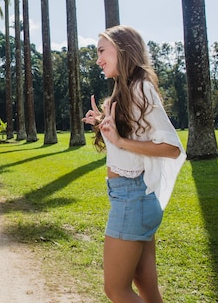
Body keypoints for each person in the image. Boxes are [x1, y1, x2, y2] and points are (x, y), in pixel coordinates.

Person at [82, 25, 186, 303]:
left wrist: (119, 139)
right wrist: (104, 123)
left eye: (102, 51)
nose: (98, 59)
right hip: (134, 198)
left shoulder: (140, 88)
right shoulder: (127, 89)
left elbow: (172, 148)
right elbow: (130, 138)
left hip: (133, 198)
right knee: (147, 289)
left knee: (116, 289)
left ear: (123, 49)